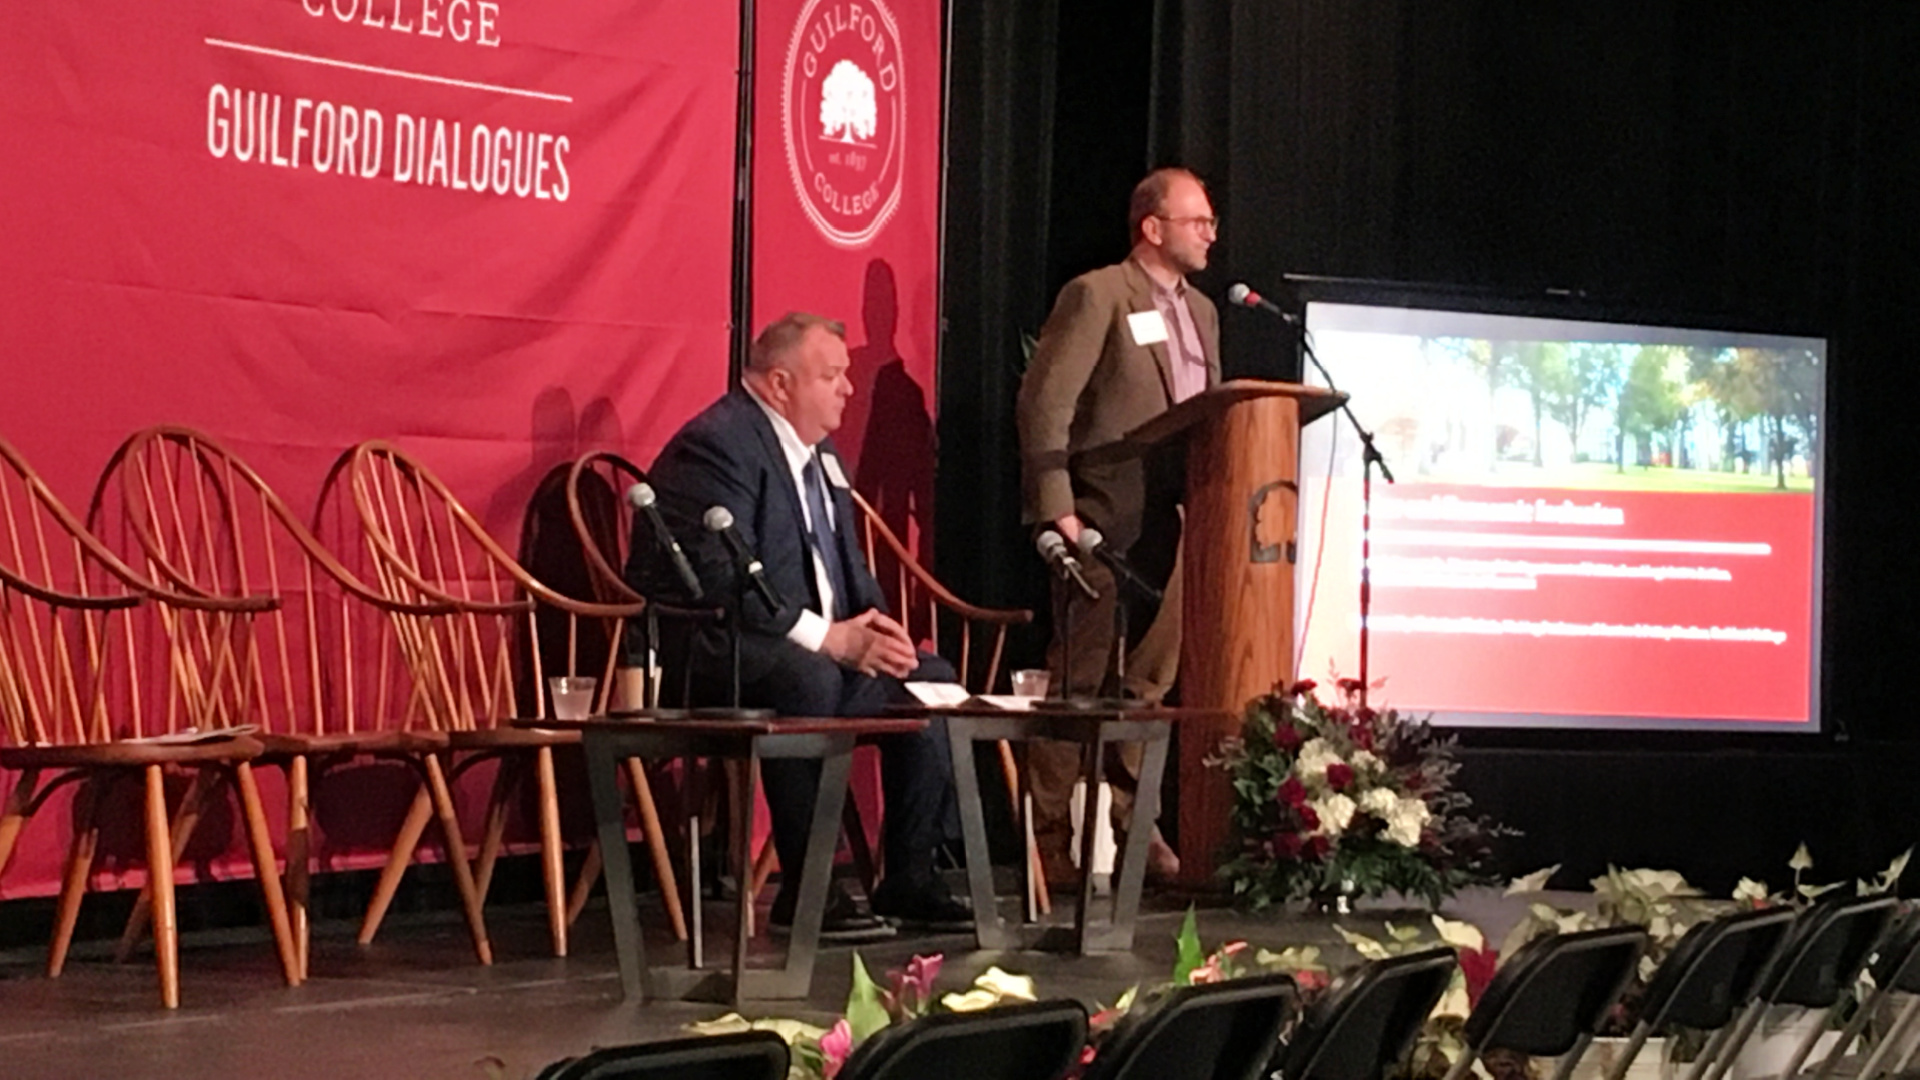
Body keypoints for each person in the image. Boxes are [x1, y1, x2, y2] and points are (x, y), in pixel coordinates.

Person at [632, 312, 971, 937]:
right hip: (719, 650)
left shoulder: (819, 452)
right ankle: (810, 891)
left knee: (929, 681)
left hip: (811, 650)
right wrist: (829, 638)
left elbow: (844, 559)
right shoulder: (718, 444)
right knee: (807, 681)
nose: (847, 388)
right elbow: (718, 574)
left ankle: (911, 879)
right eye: (832, 375)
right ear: (781, 383)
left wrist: (877, 626)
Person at [1014, 166, 1222, 887]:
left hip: (1184, 515)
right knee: (1082, 679)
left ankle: (1137, 828)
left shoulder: (1204, 311)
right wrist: (1055, 502)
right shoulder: (1100, 292)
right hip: (1102, 513)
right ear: (1153, 227)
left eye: (1211, 223)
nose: (1210, 234)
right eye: (1197, 221)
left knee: (1149, 684)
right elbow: (1046, 402)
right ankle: (1046, 840)